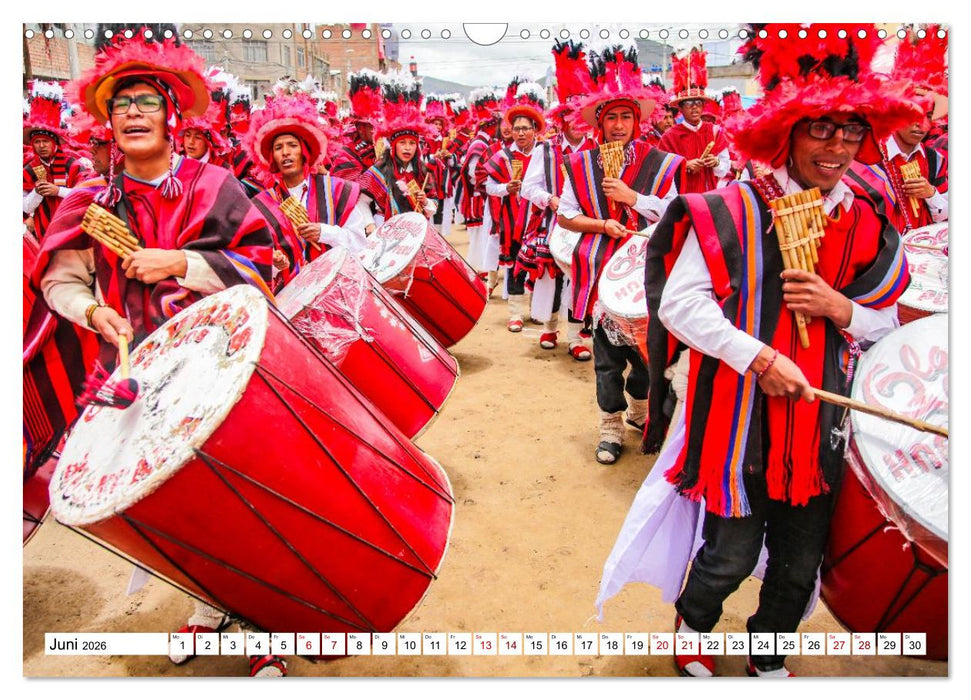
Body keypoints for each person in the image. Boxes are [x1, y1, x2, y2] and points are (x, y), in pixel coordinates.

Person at [639, 24, 918, 677]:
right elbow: (680, 305)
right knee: (729, 555)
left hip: (822, 419)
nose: (838, 145)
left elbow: (890, 321)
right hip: (737, 420)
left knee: (799, 561)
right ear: (786, 133)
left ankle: (766, 646)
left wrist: (840, 309)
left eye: (851, 131)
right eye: (821, 129)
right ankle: (695, 621)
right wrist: (759, 357)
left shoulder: (867, 217)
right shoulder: (730, 207)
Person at [31, 33, 281, 678]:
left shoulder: (219, 186)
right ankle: (206, 606)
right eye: (120, 106)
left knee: (244, 494)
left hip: (225, 368)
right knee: (177, 498)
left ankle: (264, 623)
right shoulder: (88, 201)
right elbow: (59, 279)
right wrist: (92, 311)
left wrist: (187, 262)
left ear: (171, 114)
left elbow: (263, 271)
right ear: (107, 123)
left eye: (145, 101)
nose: (133, 114)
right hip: (138, 371)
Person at [556, 42, 684, 465]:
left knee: (649, 358)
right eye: (610, 116)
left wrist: (635, 198)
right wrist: (602, 225)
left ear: (637, 119)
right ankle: (609, 426)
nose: (618, 125)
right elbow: (566, 217)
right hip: (599, 271)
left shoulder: (663, 163)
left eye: (625, 116)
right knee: (607, 360)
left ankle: (641, 407)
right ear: (598, 121)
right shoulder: (578, 165)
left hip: (647, 272)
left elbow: (679, 211)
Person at [243, 91, 365, 289]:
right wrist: (274, 264)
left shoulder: (337, 190)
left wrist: (324, 233)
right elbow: (253, 261)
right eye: (278, 147)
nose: (286, 152)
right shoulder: (262, 204)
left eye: (292, 145)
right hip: (291, 300)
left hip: (339, 289)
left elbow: (360, 245)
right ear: (272, 157)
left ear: (304, 151)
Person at [482, 83, 561, 340]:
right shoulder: (502, 155)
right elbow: (488, 187)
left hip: (541, 220)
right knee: (515, 264)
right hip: (513, 219)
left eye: (525, 128)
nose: (520, 133)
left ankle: (540, 312)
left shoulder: (548, 153)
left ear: (536, 130)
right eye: (516, 129)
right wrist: (507, 187)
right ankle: (515, 313)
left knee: (542, 265)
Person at [357, 74, 439, 227]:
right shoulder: (379, 170)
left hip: (417, 232)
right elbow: (361, 201)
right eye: (402, 142)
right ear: (393, 145)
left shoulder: (421, 170)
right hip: (385, 230)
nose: (407, 147)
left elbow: (433, 206)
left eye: (411, 143)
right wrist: (370, 225)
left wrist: (425, 201)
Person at [658, 48, 730, 194]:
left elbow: (724, 168)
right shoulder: (670, 137)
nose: (694, 108)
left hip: (710, 198)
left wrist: (715, 162)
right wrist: (685, 166)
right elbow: (660, 170)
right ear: (681, 108)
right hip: (682, 200)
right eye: (689, 104)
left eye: (698, 103)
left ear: (703, 105)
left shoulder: (714, 132)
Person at [23, 81, 84, 240]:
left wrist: (58, 191)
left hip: (74, 232)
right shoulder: (29, 170)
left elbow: (86, 195)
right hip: (44, 235)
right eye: (37, 142)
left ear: (54, 142)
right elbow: (24, 206)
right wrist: (37, 192)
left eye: (45, 141)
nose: (41, 146)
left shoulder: (73, 165)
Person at [330, 69, 383, 183]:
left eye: (380, 124)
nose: (378, 130)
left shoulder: (387, 148)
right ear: (361, 128)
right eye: (373, 127)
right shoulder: (345, 155)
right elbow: (346, 191)